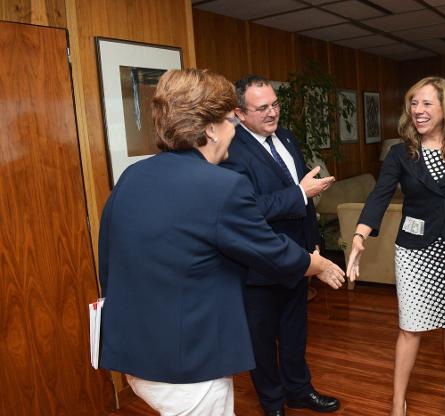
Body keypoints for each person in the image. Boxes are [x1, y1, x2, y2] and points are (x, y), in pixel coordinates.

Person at [98, 69, 345, 416]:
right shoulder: (218, 186)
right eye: (231, 119)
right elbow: (270, 251)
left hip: (134, 355)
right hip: (189, 363)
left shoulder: (132, 175)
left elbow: (108, 261)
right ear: (211, 129)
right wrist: (316, 263)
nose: (235, 129)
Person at [346, 76, 445, 416]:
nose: (418, 110)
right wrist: (358, 236)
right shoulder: (400, 153)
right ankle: (398, 400)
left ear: (444, 108)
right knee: (410, 328)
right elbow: (379, 196)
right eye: (413, 103)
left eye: (426, 103)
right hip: (414, 252)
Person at [219, 75, 339, 416]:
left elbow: (303, 199)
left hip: (298, 259)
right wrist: (301, 193)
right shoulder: (231, 150)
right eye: (262, 108)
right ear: (240, 113)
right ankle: (272, 404)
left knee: (295, 333)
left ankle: (299, 390)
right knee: (261, 341)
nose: (272, 113)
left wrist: (313, 247)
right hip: (258, 264)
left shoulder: (285, 136)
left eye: (275, 105)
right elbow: (248, 209)